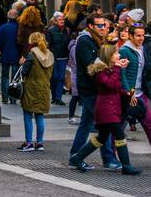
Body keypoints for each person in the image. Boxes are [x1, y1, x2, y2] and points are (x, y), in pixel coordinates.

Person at [70, 43, 141, 174]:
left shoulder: (110, 70)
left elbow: (116, 87)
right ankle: (126, 166)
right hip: (106, 109)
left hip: (111, 108)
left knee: (101, 138)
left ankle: (77, 157)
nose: (119, 55)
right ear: (109, 56)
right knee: (119, 134)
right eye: (116, 53)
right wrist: (119, 69)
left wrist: (127, 93)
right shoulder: (101, 71)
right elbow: (111, 84)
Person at [69, 12, 120, 170]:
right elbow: (91, 65)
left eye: (104, 25)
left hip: (97, 88)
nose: (103, 28)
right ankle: (107, 158)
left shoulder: (99, 39)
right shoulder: (85, 41)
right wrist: (111, 68)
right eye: (100, 25)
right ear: (90, 26)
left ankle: (76, 156)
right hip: (90, 89)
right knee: (106, 124)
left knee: (89, 123)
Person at [18, 30, 53, 152]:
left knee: (27, 115)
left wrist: (22, 64)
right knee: (40, 116)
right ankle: (39, 142)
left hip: (31, 88)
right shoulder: (49, 54)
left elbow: (24, 72)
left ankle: (28, 142)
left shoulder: (31, 55)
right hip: (44, 88)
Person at [0, 7, 21, 104]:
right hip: (16, 54)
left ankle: (5, 97)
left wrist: (1, 50)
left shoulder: (3, 27)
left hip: (5, 54)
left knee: (4, 76)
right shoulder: (19, 27)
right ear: (17, 17)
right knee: (15, 77)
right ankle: (13, 97)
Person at [46, 12, 70, 103]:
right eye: (60, 20)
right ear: (55, 21)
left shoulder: (65, 30)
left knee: (61, 77)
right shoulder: (51, 31)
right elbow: (48, 44)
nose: (62, 21)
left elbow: (68, 42)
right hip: (54, 57)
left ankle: (58, 98)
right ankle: (53, 96)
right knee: (54, 77)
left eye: (63, 19)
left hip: (63, 57)